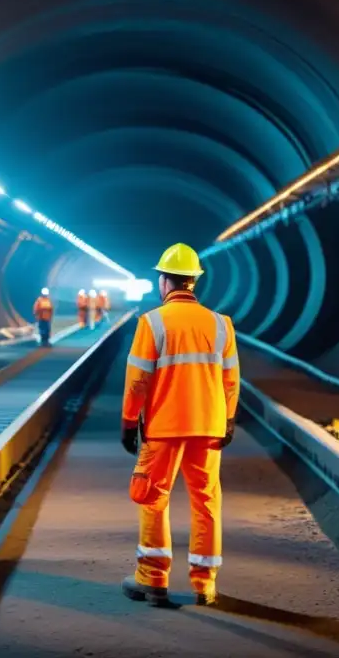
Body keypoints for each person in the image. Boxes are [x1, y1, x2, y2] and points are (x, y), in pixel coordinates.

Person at [120, 242, 239, 608]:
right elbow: (231, 380)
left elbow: (138, 379)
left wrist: (128, 422)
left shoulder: (153, 322)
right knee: (206, 501)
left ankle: (153, 579)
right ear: (193, 282)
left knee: (153, 498)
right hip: (208, 425)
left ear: (165, 281)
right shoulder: (221, 324)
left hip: (164, 426)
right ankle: (205, 585)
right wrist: (229, 419)